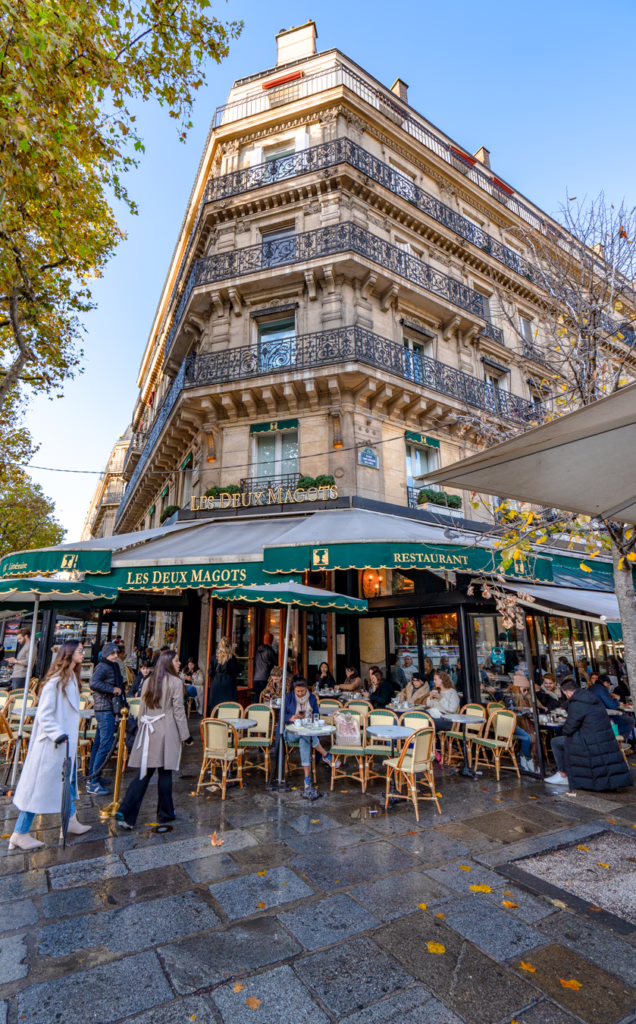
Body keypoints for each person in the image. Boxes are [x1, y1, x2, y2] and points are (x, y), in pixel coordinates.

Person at [9, 640, 92, 851]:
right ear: (69, 654)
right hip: (52, 745)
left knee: (70, 783)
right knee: (38, 789)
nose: (83, 654)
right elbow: (44, 714)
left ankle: (70, 821)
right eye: (80, 651)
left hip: (64, 745)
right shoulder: (56, 681)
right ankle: (20, 832)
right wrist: (58, 735)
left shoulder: (71, 678)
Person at [116, 650, 193, 828]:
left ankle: (127, 812)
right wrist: (186, 736)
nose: (179, 663)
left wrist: (141, 730)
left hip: (149, 731)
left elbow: (142, 708)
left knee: (145, 772)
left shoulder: (148, 680)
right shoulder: (175, 682)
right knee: (165, 773)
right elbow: (179, 712)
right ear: (168, 662)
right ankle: (165, 814)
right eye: (176, 660)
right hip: (166, 730)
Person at [545, 679, 633, 793]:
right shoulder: (590, 698)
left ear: (568, 693)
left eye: (565, 694)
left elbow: (569, 728)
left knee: (556, 742)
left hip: (589, 740)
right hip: (605, 738)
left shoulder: (577, 704)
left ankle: (562, 773)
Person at [280, 677, 337, 793]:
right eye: (298, 691)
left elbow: (316, 714)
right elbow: (282, 716)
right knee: (305, 735)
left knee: (304, 740)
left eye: (302, 691)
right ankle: (326, 754)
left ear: (306, 689)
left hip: (306, 731)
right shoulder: (288, 697)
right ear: (294, 690)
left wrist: (308, 719)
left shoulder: (312, 698)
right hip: (291, 732)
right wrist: (293, 717)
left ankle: (307, 779)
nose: (300, 694)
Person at [87, 641, 126, 795]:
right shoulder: (103, 666)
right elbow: (93, 683)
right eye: (112, 653)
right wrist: (113, 689)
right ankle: (93, 783)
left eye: (117, 653)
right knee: (105, 745)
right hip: (104, 709)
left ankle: (95, 775)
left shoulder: (111, 666)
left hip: (105, 708)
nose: (115, 656)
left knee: (99, 745)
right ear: (105, 654)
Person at [503, 673, 537, 772]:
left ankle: (525, 757)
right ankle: (526, 758)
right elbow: (512, 713)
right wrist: (527, 711)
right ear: (517, 688)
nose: (526, 692)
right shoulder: (510, 696)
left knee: (532, 734)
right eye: (524, 689)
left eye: (528, 690)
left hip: (515, 723)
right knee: (527, 737)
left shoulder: (520, 697)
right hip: (508, 723)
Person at [587, 674, 634, 743]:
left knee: (623, 717)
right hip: (603, 717)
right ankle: (620, 742)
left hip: (593, 716)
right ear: (606, 683)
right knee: (630, 720)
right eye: (609, 685)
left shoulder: (591, 688)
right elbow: (613, 706)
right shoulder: (602, 689)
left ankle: (620, 743)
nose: (609, 687)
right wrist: (616, 699)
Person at [208, 636, 239, 712]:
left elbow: (210, 673)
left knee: (215, 708)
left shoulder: (214, 657)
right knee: (229, 708)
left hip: (217, 684)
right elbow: (236, 672)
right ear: (230, 646)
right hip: (229, 684)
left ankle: (215, 723)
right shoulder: (232, 658)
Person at [253, 633, 278, 703]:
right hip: (266, 677)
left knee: (257, 697)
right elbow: (277, 662)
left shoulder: (258, 650)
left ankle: (255, 712)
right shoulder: (269, 651)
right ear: (271, 640)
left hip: (256, 678)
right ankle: (265, 712)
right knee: (267, 698)